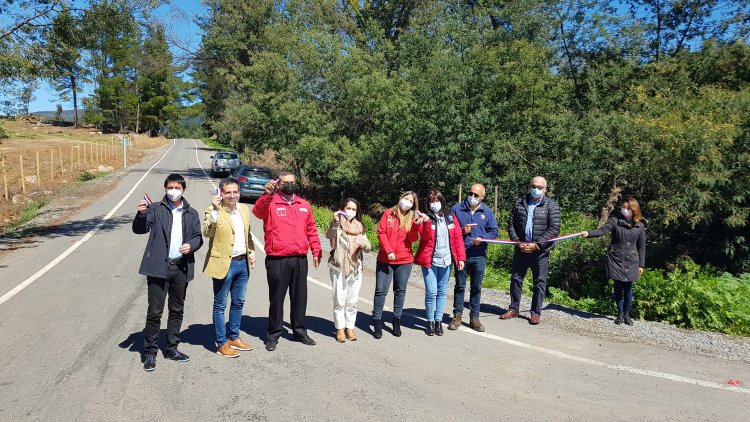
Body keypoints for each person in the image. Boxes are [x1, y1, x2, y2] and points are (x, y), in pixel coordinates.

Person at [133, 173, 203, 372]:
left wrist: (191, 245)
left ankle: (172, 348)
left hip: (180, 268)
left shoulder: (191, 213)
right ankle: (150, 353)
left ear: (183, 190)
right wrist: (141, 215)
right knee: (155, 312)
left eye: (177, 188)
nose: (174, 191)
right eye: (170, 187)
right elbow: (140, 229)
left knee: (177, 310)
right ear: (165, 188)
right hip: (158, 269)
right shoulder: (155, 208)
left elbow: (198, 237)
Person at [252, 171, 322, 351]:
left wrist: (316, 250)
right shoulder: (271, 202)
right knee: (277, 299)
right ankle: (273, 334)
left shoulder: (304, 205)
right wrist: (267, 195)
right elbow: (257, 212)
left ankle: (299, 331)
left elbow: (312, 230)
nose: (289, 185)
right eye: (285, 182)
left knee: (299, 298)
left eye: (292, 182)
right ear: (278, 184)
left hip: (299, 258)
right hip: (277, 259)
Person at [203, 177, 257, 358]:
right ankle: (221, 342)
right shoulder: (213, 210)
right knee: (220, 305)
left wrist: (251, 251)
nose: (232, 195)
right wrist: (216, 211)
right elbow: (207, 232)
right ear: (221, 193)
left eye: (235, 192)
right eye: (228, 192)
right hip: (224, 263)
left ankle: (234, 336)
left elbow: (247, 233)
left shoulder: (244, 209)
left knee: (238, 302)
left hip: (242, 263)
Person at [500, 176, 560, 325]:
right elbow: (511, 225)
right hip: (521, 250)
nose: (536, 189)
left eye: (540, 187)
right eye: (534, 186)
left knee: (539, 282)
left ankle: (535, 312)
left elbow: (554, 229)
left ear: (545, 189)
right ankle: (514, 309)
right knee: (516, 279)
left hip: (540, 252)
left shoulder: (552, 206)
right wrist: (518, 242)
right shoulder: (519, 203)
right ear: (530, 186)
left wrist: (537, 245)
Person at [581, 197, 646, 325]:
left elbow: (642, 247)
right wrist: (589, 233)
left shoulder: (640, 225)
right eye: (624, 207)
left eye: (628, 208)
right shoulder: (615, 220)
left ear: (634, 210)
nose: (625, 210)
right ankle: (620, 314)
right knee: (618, 286)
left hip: (632, 260)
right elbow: (602, 230)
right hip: (617, 258)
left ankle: (627, 315)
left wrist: (641, 265)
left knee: (628, 288)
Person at [448, 184, 499, 332]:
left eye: (476, 195)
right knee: (460, 286)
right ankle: (457, 315)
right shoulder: (457, 209)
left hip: (478, 255)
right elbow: (450, 229)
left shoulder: (487, 212)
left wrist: (482, 238)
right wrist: (462, 231)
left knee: (476, 287)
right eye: (471, 193)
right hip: (461, 254)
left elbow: (494, 232)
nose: (473, 197)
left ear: (482, 197)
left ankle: (474, 318)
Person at [372, 191, 423, 338]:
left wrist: (415, 227)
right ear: (400, 199)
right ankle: (376, 321)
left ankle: (396, 320)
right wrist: (388, 251)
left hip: (404, 260)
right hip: (385, 259)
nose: (407, 202)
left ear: (414, 205)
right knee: (381, 290)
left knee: (400, 291)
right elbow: (381, 232)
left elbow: (413, 239)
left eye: (410, 201)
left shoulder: (413, 218)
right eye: (405, 198)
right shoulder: (389, 213)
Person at [415, 190, 466, 336]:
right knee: (432, 292)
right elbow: (424, 238)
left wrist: (461, 258)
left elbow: (457, 238)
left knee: (442, 291)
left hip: (446, 260)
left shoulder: (450, 217)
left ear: (442, 201)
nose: (434, 204)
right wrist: (424, 223)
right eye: (432, 201)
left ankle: (438, 322)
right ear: (428, 203)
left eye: (437, 200)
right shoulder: (425, 218)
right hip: (430, 261)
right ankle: (430, 322)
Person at [326, 198, 371, 342]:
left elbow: (369, 248)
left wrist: (364, 245)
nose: (350, 211)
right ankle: (339, 328)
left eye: (353, 209)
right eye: (348, 208)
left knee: (352, 300)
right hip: (338, 266)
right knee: (339, 299)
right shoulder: (337, 223)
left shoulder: (360, 227)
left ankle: (349, 327)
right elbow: (329, 236)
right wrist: (335, 222)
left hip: (355, 268)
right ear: (342, 209)